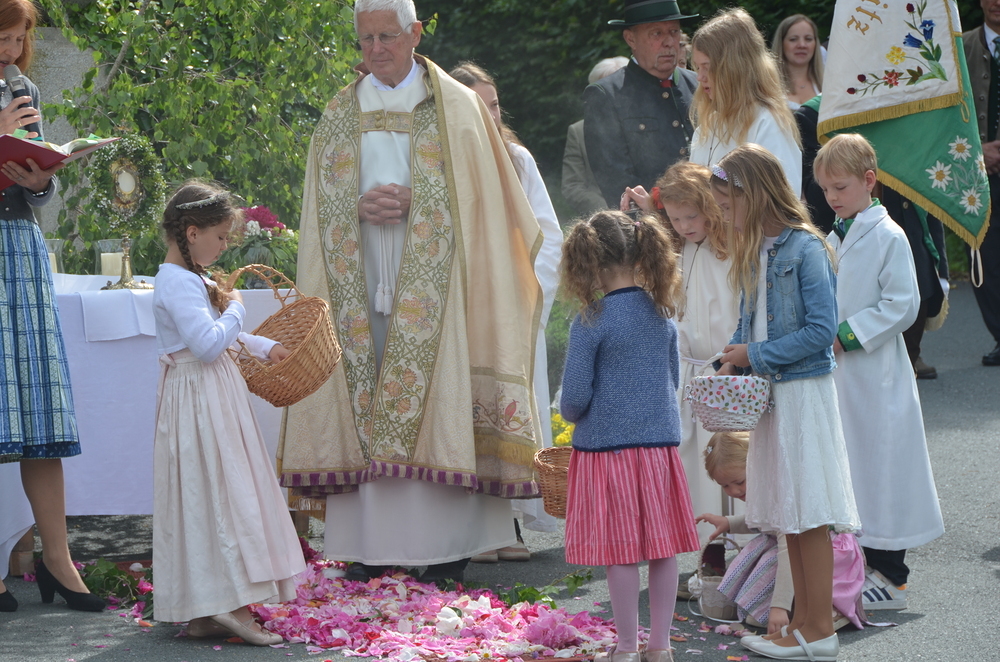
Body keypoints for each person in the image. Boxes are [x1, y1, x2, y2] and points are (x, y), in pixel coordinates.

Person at [279, 0, 543, 585]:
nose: (376, 50)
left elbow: (488, 205)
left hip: (440, 287)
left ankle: (449, 549)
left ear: (416, 33)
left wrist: (421, 203)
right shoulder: (340, 111)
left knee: (438, 394)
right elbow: (318, 206)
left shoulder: (459, 106)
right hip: (361, 277)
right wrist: (354, 208)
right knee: (367, 386)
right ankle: (370, 547)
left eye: (388, 37)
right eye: (366, 39)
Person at [712, 144, 860, 661]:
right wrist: (730, 361)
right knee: (789, 514)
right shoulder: (758, 249)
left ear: (753, 195)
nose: (724, 216)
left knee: (810, 513)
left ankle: (820, 629)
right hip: (773, 397)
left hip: (802, 395)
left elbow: (820, 332)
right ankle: (799, 623)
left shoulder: (807, 248)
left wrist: (753, 354)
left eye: (728, 205)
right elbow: (747, 321)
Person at [152, 182, 305, 644]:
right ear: (192, 232)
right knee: (221, 492)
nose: (223, 246)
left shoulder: (190, 278)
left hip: (209, 393)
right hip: (200, 398)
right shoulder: (176, 280)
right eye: (219, 236)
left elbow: (219, 336)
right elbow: (205, 344)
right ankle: (231, 603)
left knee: (210, 491)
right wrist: (237, 308)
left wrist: (265, 345)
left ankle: (204, 607)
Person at [0, 0, 103, 614]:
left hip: (19, 247)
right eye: (2, 38)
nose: (11, 52)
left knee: (39, 409)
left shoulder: (25, 90)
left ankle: (57, 559)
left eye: (19, 40)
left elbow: (38, 177)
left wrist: (42, 181)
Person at [560, 211, 699, 662]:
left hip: (608, 451)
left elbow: (574, 400)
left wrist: (570, 413)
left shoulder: (591, 320)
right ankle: (660, 647)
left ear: (589, 263)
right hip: (658, 449)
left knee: (620, 553)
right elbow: (671, 379)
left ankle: (624, 648)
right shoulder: (662, 316)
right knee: (662, 549)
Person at [814, 134, 944, 610]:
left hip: (876, 372)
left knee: (882, 469)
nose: (832, 197)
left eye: (840, 187)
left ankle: (892, 577)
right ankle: (861, 567)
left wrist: (846, 335)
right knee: (855, 469)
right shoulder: (834, 236)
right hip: (844, 376)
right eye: (825, 189)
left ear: (869, 180)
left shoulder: (890, 235)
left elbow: (903, 304)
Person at [451, 61, 563, 555]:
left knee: (511, 412)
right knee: (465, 412)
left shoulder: (518, 160)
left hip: (513, 306)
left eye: (495, 106)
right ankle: (472, 525)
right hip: (462, 307)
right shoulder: (438, 158)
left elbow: (548, 234)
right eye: (481, 107)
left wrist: (526, 294)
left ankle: (509, 522)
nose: (492, 116)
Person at [620, 162, 739, 542]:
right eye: (675, 218)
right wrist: (648, 215)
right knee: (693, 463)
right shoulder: (680, 249)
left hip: (728, 370)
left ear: (711, 208)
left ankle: (738, 545)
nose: (685, 225)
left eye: (692, 216)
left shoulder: (732, 248)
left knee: (731, 459)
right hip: (691, 371)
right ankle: (702, 548)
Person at [695, 432, 866, 635]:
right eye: (725, 486)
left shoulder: (783, 495)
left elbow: (788, 555)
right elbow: (764, 522)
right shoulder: (766, 489)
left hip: (828, 555)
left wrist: (779, 607)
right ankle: (780, 606)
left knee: (769, 554)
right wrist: (729, 523)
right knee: (761, 548)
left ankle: (825, 607)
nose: (733, 491)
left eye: (739, 482)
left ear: (759, 465)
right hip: (802, 553)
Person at [584, 0, 699, 209]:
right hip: (650, 224)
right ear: (631, 39)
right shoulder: (607, 95)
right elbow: (617, 184)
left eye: (674, 31)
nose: (669, 42)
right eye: (656, 33)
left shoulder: (698, 85)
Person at [689, 8, 802, 196]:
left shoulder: (768, 124)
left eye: (707, 67)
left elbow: (781, 203)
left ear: (733, 69)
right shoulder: (707, 128)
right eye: (698, 67)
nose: (700, 77)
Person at [961, 8, 1000, 366]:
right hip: (974, 175)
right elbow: (948, 110)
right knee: (982, 256)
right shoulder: (961, 47)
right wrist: (977, 151)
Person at [562, 57, 628, 216]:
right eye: (602, 89)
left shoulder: (648, 126)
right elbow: (572, 186)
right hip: (604, 219)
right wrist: (609, 212)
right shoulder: (579, 131)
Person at [771, 15, 823, 109]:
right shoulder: (767, 86)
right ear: (781, 44)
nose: (802, 45)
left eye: (808, 39)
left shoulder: (826, 85)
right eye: (793, 39)